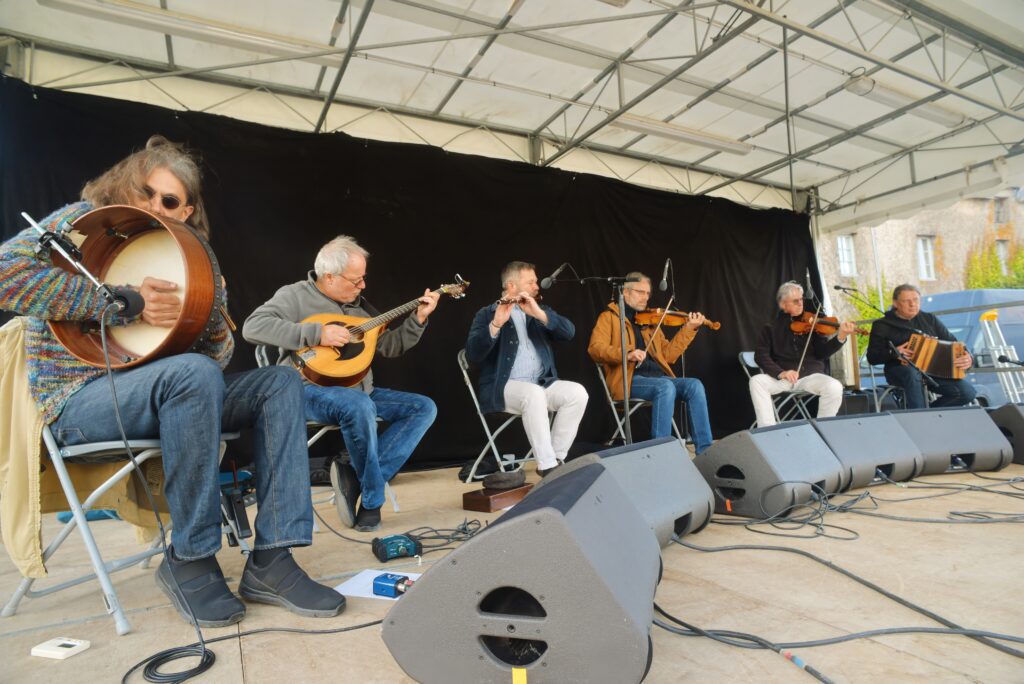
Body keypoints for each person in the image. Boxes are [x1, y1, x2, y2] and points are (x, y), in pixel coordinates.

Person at [0, 136, 345, 628]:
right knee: (192, 374)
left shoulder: (189, 255)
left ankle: (273, 559)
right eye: (145, 193)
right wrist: (121, 300)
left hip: (167, 392)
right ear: (123, 186)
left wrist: (208, 309)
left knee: (280, 383)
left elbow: (214, 362)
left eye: (169, 201)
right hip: (77, 401)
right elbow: (5, 275)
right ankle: (191, 555)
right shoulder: (82, 222)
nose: (154, 207)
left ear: (186, 212)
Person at [242, 235, 438, 532]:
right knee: (358, 405)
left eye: (364, 278)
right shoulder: (295, 296)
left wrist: (418, 319)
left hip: (359, 390)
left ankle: (354, 479)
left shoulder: (362, 309)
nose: (363, 286)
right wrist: (317, 334)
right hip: (306, 390)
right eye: (356, 280)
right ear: (329, 276)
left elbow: (390, 346)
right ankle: (372, 501)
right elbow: (253, 327)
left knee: (423, 408)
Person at [465, 261, 587, 477]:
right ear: (511, 286)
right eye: (531, 282)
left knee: (577, 393)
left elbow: (569, 333)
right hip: (502, 388)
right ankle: (547, 467)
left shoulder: (538, 310)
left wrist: (540, 314)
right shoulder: (486, 314)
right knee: (534, 394)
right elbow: (473, 354)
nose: (537, 286)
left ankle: (557, 458)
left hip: (541, 384)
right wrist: (496, 324)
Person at [587, 272, 712, 453]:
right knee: (665, 387)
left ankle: (705, 451)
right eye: (640, 292)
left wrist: (689, 329)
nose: (645, 297)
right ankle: (661, 452)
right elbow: (595, 349)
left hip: (657, 378)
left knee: (694, 385)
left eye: (648, 293)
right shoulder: (608, 318)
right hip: (627, 381)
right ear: (625, 292)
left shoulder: (649, 322)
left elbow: (668, 356)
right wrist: (627, 354)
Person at [750, 281, 856, 427]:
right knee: (756, 381)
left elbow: (822, 353)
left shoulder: (813, 323)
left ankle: (824, 428)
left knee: (834, 386)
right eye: (795, 301)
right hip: (784, 379)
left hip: (810, 376)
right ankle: (767, 429)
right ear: (783, 304)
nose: (800, 303)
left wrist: (841, 337)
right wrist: (781, 373)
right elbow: (761, 356)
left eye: (801, 299)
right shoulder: (771, 328)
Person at [866, 284, 974, 408]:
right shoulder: (882, 325)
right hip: (899, 371)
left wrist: (969, 357)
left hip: (932, 372)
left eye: (916, 300)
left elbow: (953, 343)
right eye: (906, 301)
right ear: (895, 303)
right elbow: (872, 357)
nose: (912, 304)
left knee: (966, 393)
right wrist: (894, 353)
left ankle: (928, 414)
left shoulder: (930, 319)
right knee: (912, 372)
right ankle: (920, 415)